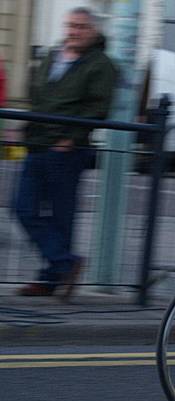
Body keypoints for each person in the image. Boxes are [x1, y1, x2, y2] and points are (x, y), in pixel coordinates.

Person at [13, 7, 116, 297]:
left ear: (93, 31)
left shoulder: (100, 64)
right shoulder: (53, 54)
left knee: (61, 215)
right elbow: (39, 95)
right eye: (71, 25)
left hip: (66, 150)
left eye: (81, 27)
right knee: (23, 208)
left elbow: (98, 108)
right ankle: (63, 264)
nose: (74, 31)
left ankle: (52, 277)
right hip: (38, 144)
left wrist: (70, 139)